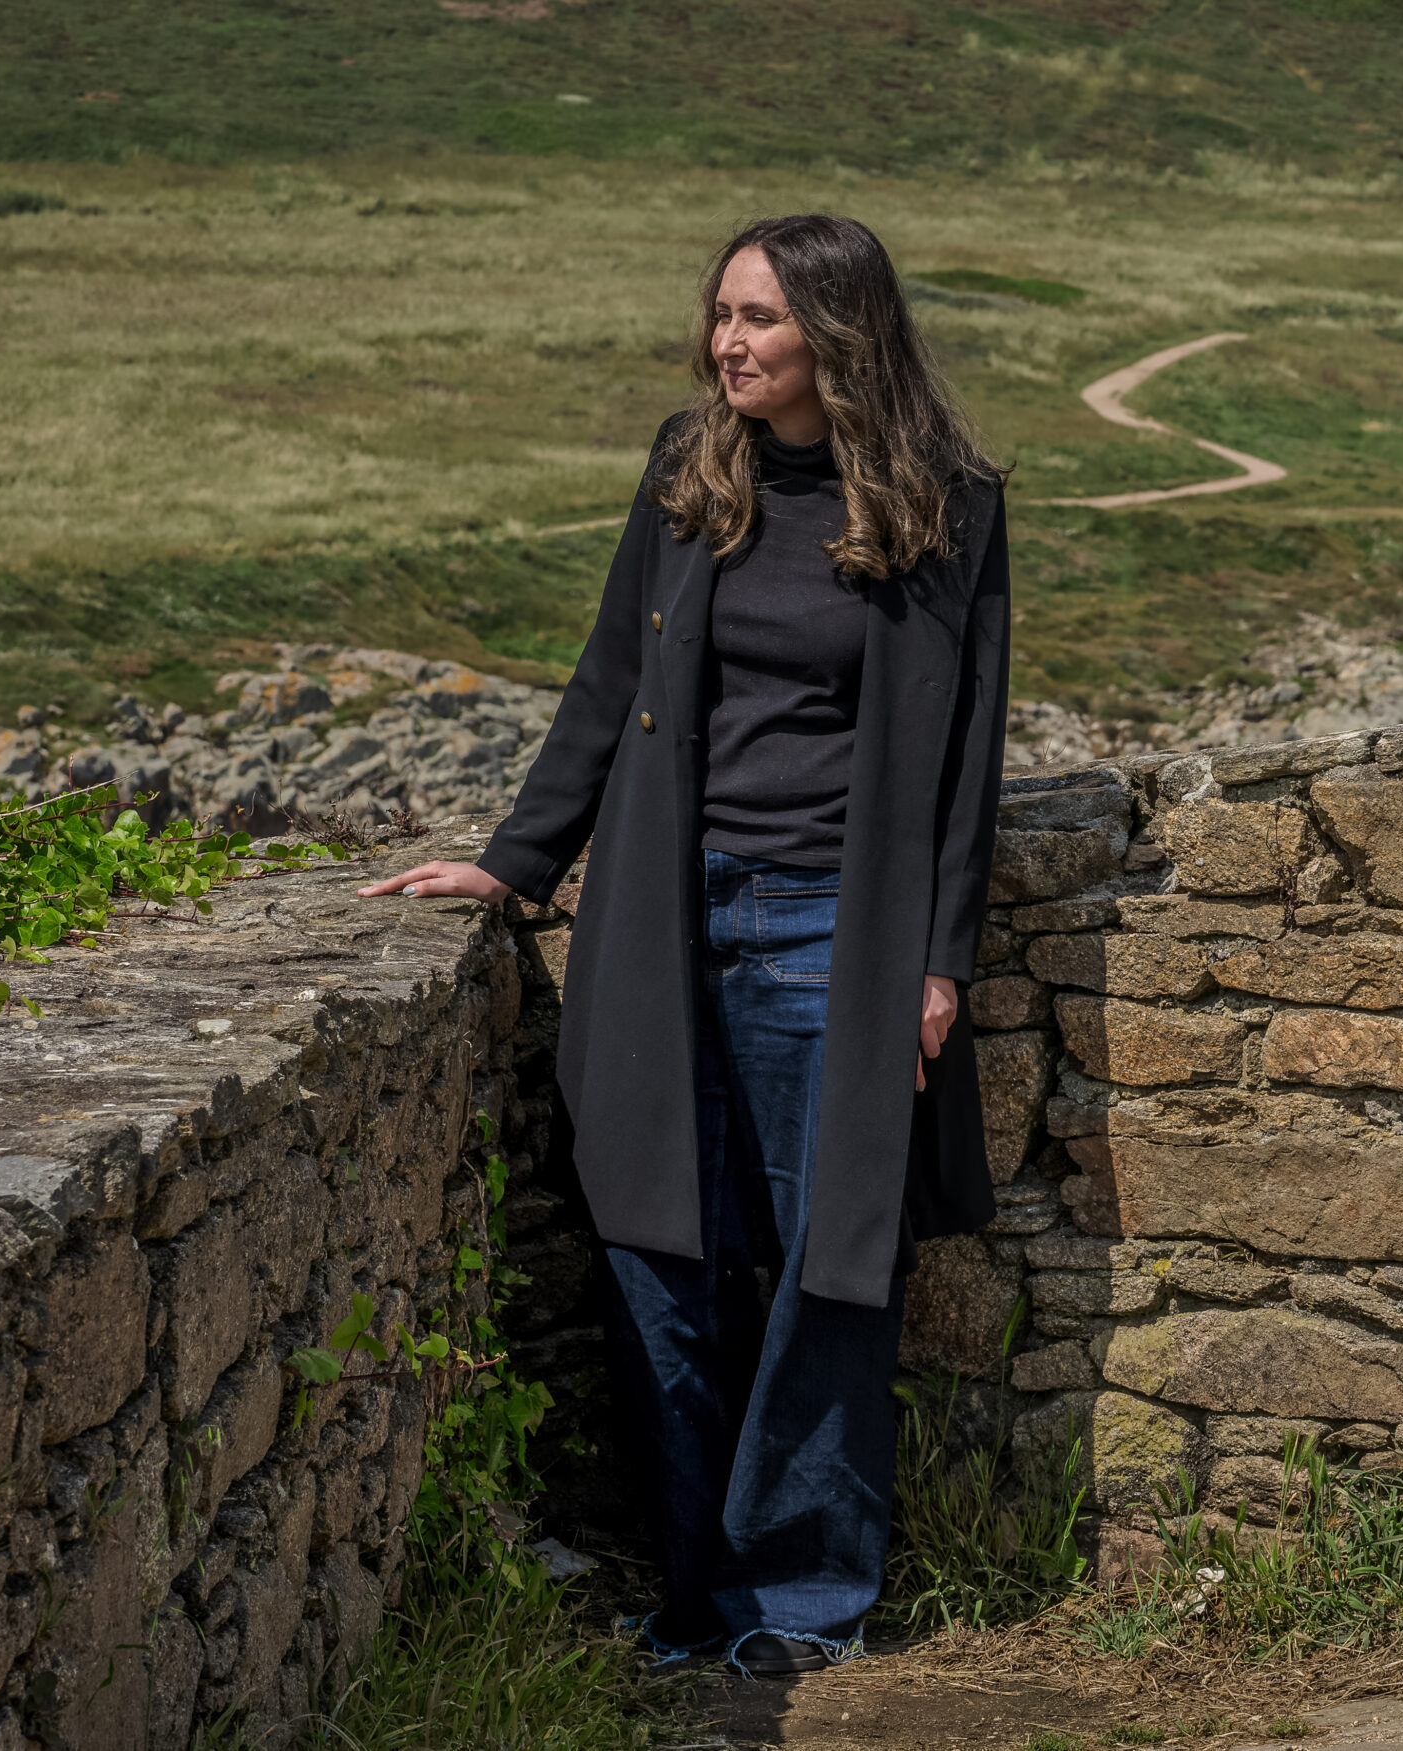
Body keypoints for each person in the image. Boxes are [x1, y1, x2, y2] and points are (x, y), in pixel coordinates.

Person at [361, 212, 1010, 1677]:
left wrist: (939, 964)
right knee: (660, 1250)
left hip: (835, 937)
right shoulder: (688, 466)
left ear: (838, 336)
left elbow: (968, 758)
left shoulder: (948, 502)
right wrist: (515, 863)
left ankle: (800, 1606)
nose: (729, 343)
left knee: (823, 1266)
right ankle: (700, 1592)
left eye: (760, 320)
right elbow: (608, 681)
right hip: (667, 914)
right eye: (721, 314)